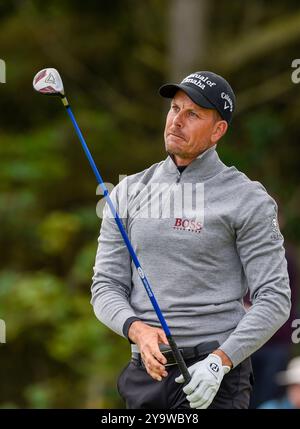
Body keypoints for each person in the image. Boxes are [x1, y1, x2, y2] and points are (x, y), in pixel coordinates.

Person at [91, 71, 291, 409]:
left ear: (218, 130)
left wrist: (220, 361)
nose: (177, 121)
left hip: (215, 377)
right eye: (174, 109)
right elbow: (105, 286)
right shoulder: (127, 192)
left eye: (193, 114)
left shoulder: (248, 200)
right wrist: (136, 329)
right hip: (146, 375)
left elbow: (274, 299)